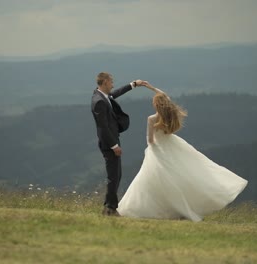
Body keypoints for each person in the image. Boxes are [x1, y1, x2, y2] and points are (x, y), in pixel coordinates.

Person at [118, 82, 248, 222]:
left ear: (156, 105)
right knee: (182, 175)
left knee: (150, 179)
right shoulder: (169, 113)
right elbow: (163, 95)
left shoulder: (152, 119)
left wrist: (145, 86)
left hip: (158, 149)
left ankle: (144, 209)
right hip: (172, 144)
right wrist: (150, 87)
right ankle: (180, 209)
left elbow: (150, 140)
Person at [91, 72, 147, 216]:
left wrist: (133, 84)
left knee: (116, 175)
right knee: (113, 176)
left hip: (112, 142)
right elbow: (102, 127)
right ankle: (110, 209)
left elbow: (116, 93)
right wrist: (114, 146)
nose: (112, 85)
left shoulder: (104, 97)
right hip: (109, 144)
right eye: (111, 82)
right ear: (104, 82)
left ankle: (109, 207)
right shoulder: (99, 102)